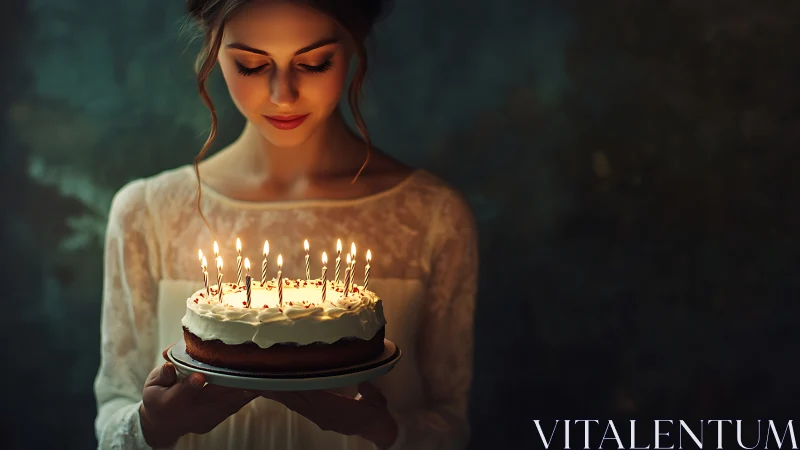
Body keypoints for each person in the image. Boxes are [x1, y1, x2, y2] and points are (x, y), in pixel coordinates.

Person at [93, 0, 479, 448]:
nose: (282, 94)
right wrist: (153, 426)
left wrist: (382, 430)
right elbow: (113, 415)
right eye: (251, 65)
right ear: (213, 48)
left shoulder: (434, 216)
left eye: (315, 63)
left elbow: (450, 426)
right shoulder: (146, 213)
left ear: (353, 45)